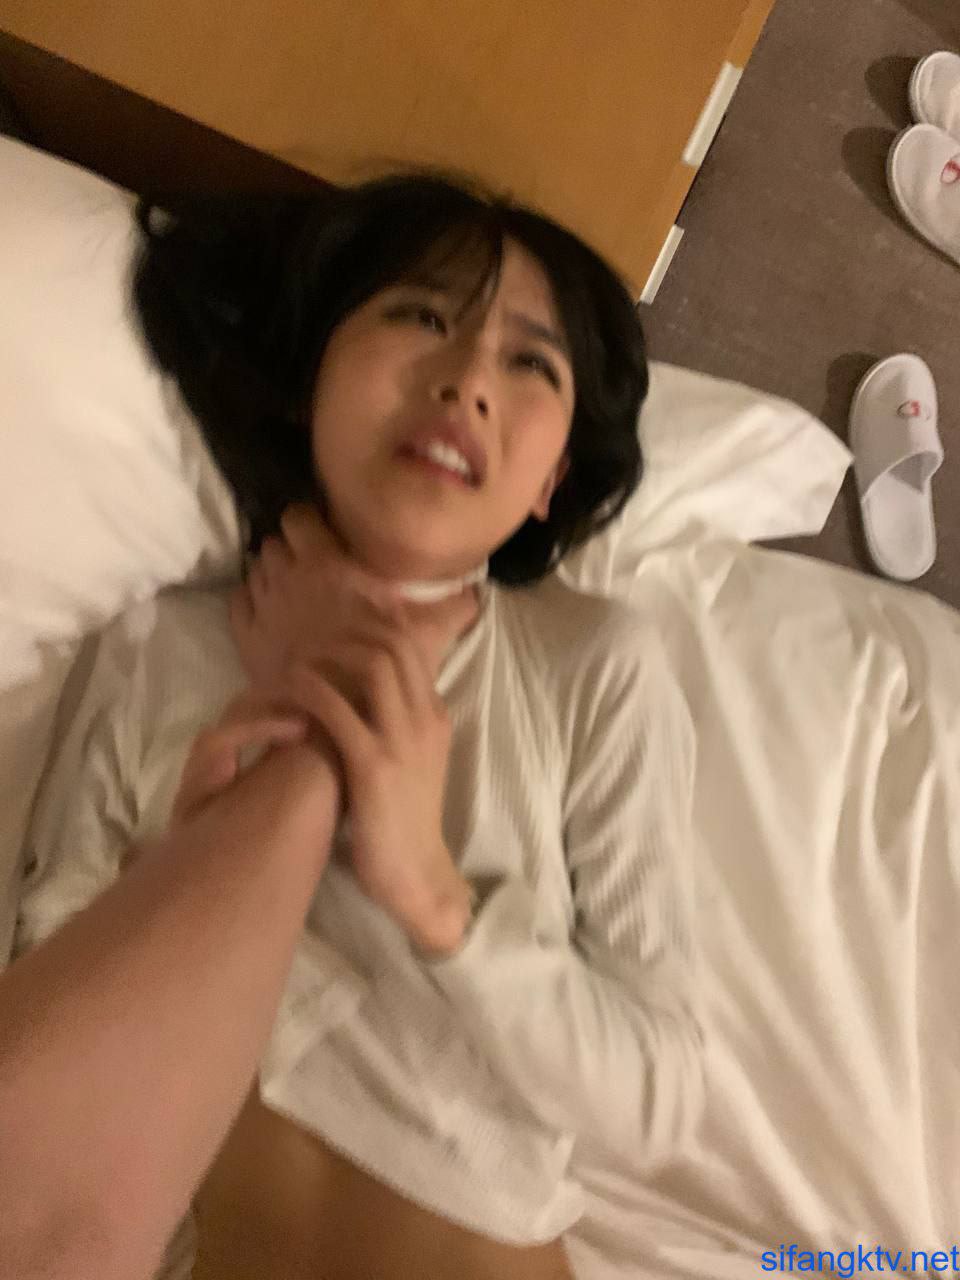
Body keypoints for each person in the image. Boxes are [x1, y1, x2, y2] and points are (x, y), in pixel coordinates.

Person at [1, 171, 704, 1280]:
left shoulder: (591, 668)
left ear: (551, 482)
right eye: (421, 314)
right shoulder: (159, 645)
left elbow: (656, 1098)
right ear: (312, 379)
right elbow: (47, 989)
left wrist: (436, 898)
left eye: (531, 363)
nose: (467, 379)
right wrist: (213, 843)